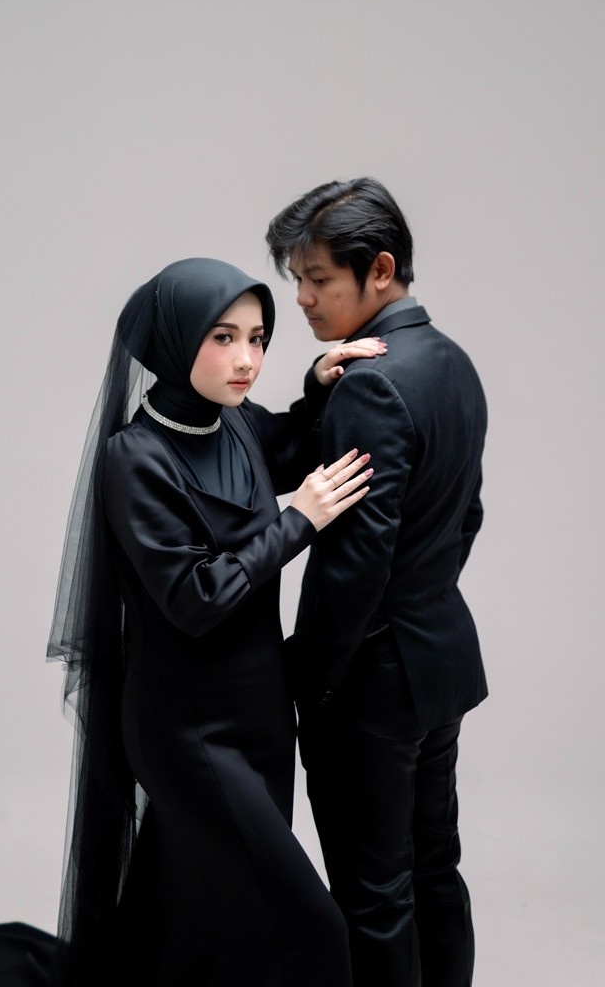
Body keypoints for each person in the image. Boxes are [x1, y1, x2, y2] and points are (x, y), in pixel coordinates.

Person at [47, 257, 382, 987]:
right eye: (223, 337)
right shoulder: (134, 458)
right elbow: (196, 598)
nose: (247, 360)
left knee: (209, 922)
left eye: (258, 339)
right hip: (188, 731)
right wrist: (299, 521)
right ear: (174, 342)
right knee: (307, 929)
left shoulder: (238, 423)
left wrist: (320, 383)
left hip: (263, 715)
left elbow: (287, 443)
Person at [266, 179, 488, 987]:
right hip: (439, 657)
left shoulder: (374, 383)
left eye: (318, 278)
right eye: (298, 279)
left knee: (374, 896)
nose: (302, 298)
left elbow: (355, 562)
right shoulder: (453, 363)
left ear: (381, 270)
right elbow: (468, 515)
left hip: (370, 682)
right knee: (434, 869)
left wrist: (308, 678)